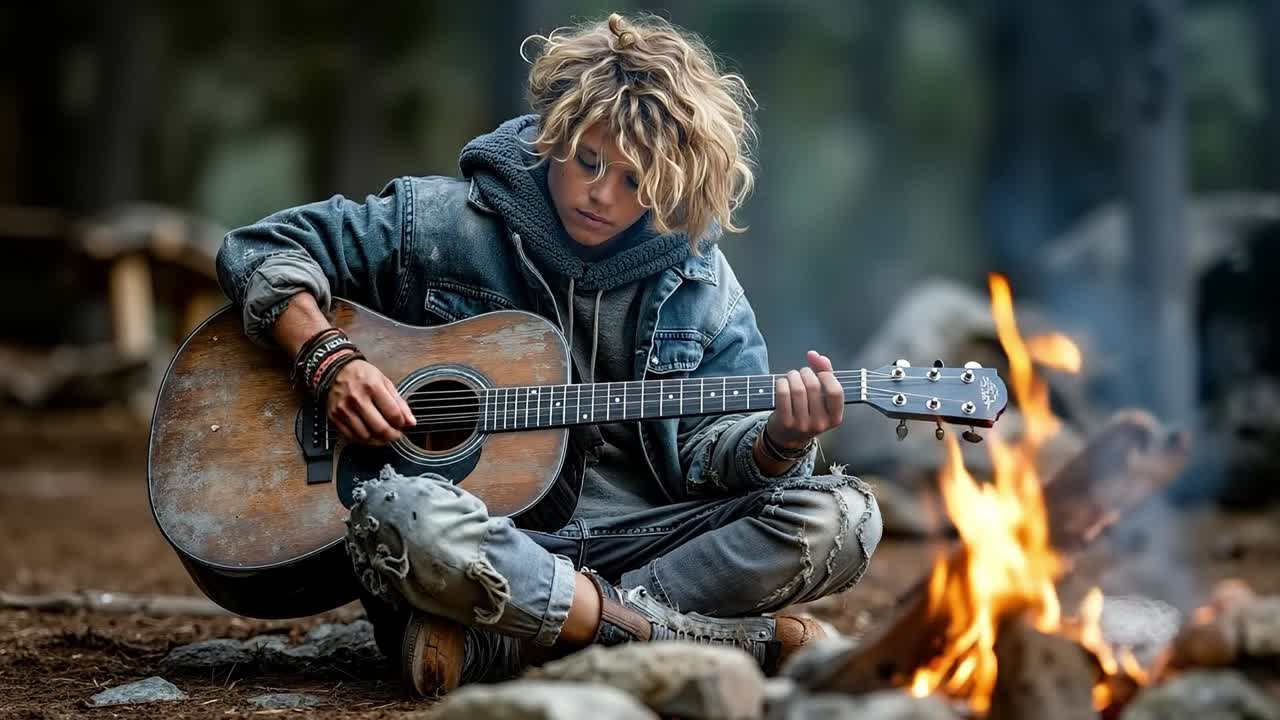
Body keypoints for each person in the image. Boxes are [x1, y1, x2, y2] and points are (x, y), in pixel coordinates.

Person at [215, 12, 882, 697]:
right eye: (589, 161)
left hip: (640, 546)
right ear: (554, 134)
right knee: (399, 515)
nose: (602, 193)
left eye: (635, 180)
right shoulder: (442, 223)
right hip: (484, 542)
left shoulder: (704, 289)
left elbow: (716, 460)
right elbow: (258, 249)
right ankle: (695, 641)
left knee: (845, 518)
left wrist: (779, 439)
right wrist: (330, 360)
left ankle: (511, 643)